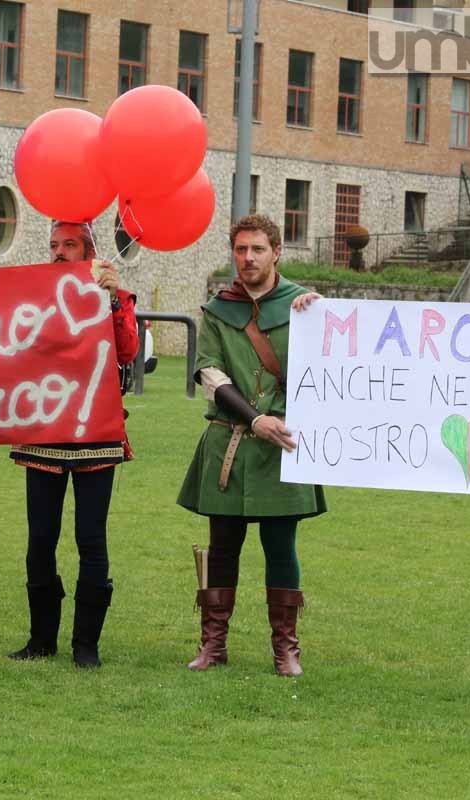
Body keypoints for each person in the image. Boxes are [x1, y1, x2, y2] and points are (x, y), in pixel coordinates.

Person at [177, 214, 324, 677]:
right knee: (223, 546)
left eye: (257, 249)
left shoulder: (304, 305)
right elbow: (210, 373)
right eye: (240, 250)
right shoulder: (219, 309)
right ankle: (213, 644)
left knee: (281, 545)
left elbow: (332, 365)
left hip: (286, 443)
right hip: (230, 441)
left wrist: (327, 318)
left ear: (276, 252)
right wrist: (254, 418)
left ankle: (286, 649)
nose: (248, 258)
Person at [7, 220, 138, 669]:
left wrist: (113, 297)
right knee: (40, 538)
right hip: (44, 428)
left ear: (89, 251)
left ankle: (86, 646)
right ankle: (41, 639)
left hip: (96, 430)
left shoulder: (113, 297)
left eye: (69, 245)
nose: (59, 252)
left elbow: (127, 352)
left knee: (90, 538)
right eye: (54, 245)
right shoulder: (32, 295)